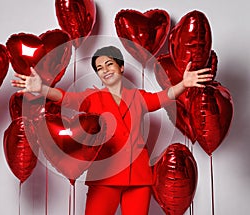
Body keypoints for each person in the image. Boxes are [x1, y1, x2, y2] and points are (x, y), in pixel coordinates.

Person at [11, 46, 213, 215]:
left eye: (109, 64)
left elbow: (163, 97)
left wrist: (184, 84)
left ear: (121, 67)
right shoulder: (92, 97)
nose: (105, 70)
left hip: (138, 177)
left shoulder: (137, 96)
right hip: (104, 175)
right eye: (99, 68)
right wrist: (42, 89)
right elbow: (66, 98)